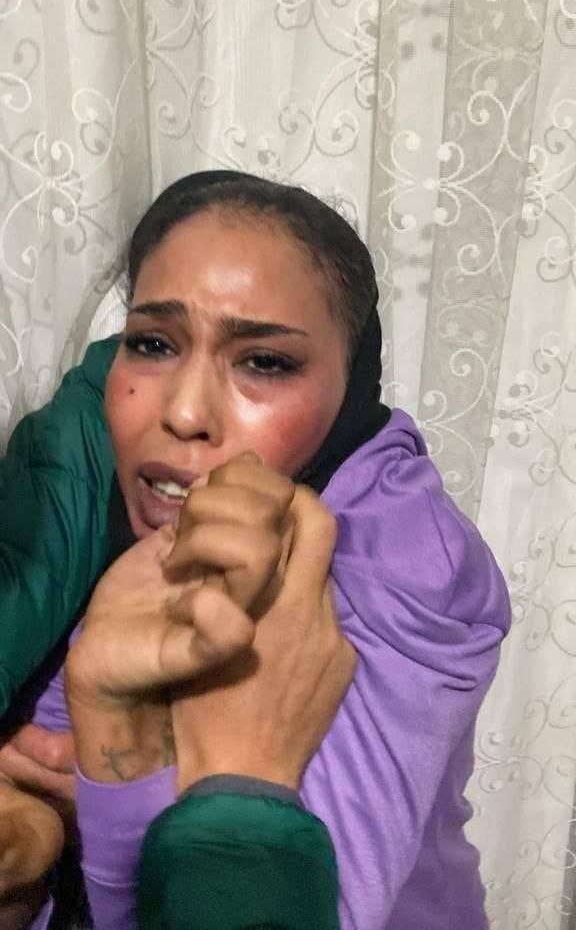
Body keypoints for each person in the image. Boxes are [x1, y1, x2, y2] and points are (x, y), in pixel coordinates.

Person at [0, 172, 511, 929]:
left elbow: (302, 908)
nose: (183, 412)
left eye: (264, 362)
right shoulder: (100, 483)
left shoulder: (409, 562)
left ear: (351, 383)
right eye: (152, 344)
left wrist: (111, 794)